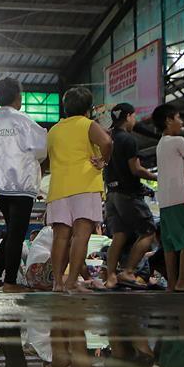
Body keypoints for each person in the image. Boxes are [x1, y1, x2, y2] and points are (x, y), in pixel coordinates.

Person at [46, 87, 113, 293]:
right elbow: (107, 142)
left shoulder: (53, 130)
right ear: (88, 109)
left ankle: (57, 282)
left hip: (58, 188)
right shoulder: (87, 124)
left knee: (60, 237)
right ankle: (72, 282)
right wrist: (103, 160)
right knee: (80, 236)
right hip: (84, 185)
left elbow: (47, 159)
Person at [0, 77, 47, 293]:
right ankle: (10, 282)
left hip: (1, 184)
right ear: (17, 97)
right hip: (21, 183)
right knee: (17, 234)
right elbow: (41, 149)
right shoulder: (22, 119)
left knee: (12, 231)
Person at [101, 102, 158, 289]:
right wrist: (155, 176)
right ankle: (128, 271)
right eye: (134, 116)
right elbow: (136, 169)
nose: (135, 120)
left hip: (112, 195)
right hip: (128, 194)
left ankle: (110, 277)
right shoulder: (129, 139)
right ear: (128, 117)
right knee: (148, 232)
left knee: (119, 235)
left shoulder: (108, 138)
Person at [152, 103, 184, 292]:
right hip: (179, 197)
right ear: (168, 121)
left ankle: (172, 283)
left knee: (169, 243)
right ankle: (183, 281)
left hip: (164, 200)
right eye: (177, 118)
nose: (181, 122)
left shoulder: (161, 144)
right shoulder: (178, 141)